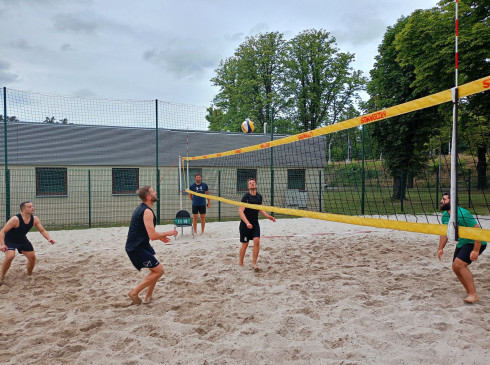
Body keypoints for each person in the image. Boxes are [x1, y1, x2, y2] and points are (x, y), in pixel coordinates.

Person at [126, 186, 178, 305]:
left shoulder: (145, 209)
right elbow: (153, 236)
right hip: (136, 248)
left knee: (154, 270)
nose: (155, 192)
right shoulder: (147, 211)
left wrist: (161, 237)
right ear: (148, 197)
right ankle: (134, 293)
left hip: (142, 244)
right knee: (159, 271)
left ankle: (148, 297)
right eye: (153, 191)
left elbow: (147, 232)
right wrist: (166, 233)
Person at [438, 192, 487, 304]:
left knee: (460, 264)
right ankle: (469, 292)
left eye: (444, 199)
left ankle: (473, 294)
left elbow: (478, 232)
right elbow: (443, 233)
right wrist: (440, 248)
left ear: (453, 201)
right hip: (463, 243)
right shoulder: (445, 215)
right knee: (455, 267)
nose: (441, 201)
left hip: (476, 242)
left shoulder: (463, 214)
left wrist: (475, 250)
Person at [0, 201, 55, 283]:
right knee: (10, 256)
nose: (32, 208)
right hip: (9, 239)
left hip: (22, 239)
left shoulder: (35, 219)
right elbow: (2, 231)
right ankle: (1, 277)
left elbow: (42, 230)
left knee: (32, 257)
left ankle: (29, 274)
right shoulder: (15, 219)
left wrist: (49, 238)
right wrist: (3, 244)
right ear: (23, 209)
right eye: (29, 206)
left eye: (32, 206)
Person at [238, 178, 275, 271]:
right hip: (245, 225)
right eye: (250, 183)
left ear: (256, 185)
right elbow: (240, 211)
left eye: (253, 183)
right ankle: (240, 262)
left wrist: (268, 216)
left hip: (255, 223)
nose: (252, 184)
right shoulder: (245, 198)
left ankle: (254, 263)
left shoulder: (259, 197)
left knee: (257, 241)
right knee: (245, 244)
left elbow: (260, 209)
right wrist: (247, 223)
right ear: (248, 186)